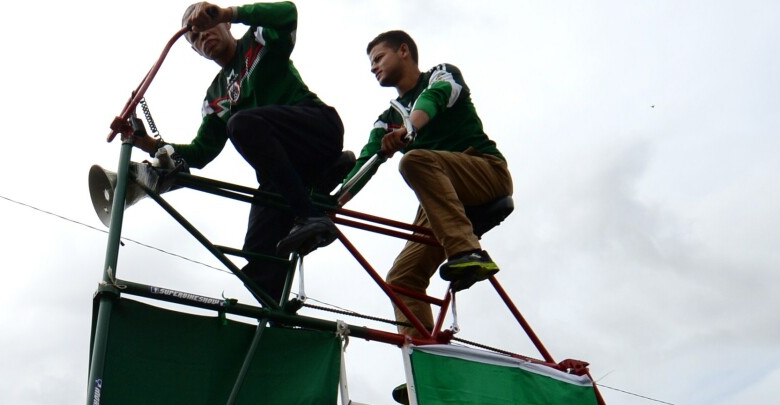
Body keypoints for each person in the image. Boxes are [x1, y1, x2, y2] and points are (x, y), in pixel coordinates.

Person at [124, 3, 347, 303]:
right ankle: (279, 323)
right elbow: (201, 152)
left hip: (316, 129)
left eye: (208, 27)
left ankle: (308, 213)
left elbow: (288, 14)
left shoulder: (256, 40)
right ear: (196, 52)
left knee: (241, 124)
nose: (204, 38)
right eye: (196, 39)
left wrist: (231, 12)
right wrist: (148, 143)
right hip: (285, 173)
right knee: (254, 258)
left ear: (224, 26)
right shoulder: (215, 96)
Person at [340, 30, 511, 334]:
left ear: (403, 51)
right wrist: (330, 205)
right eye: (371, 63)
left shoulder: (441, 75)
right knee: (401, 279)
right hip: (440, 198)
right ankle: (424, 363)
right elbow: (366, 163)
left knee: (414, 159)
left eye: (379, 58)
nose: (373, 67)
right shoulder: (386, 120)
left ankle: (467, 253)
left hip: (484, 171)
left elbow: (436, 97)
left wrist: (409, 129)